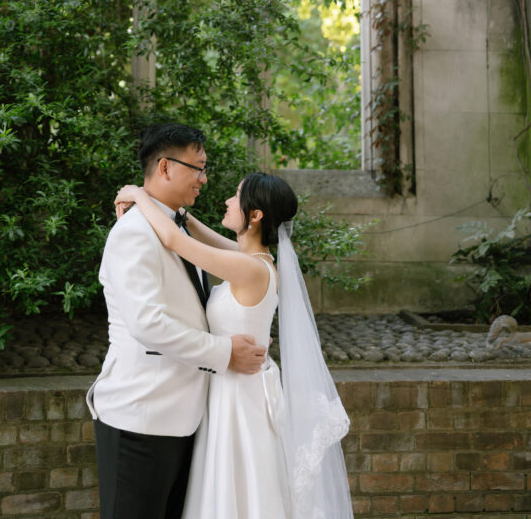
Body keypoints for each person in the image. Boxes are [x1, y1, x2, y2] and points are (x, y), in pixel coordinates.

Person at [114, 170, 354, 519]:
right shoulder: (257, 262)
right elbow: (201, 237)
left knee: (240, 491)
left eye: (236, 196)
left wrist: (139, 194)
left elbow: (172, 240)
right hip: (237, 385)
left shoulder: (250, 270)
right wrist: (179, 212)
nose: (227, 201)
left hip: (239, 398)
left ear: (255, 216)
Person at [86, 123, 267, 519]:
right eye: (197, 168)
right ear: (165, 167)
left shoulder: (176, 225)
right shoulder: (133, 232)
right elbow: (147, 323)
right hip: (140, 416)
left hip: (187, 418)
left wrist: (138, 194)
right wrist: (225, 352)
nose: (204, 178)